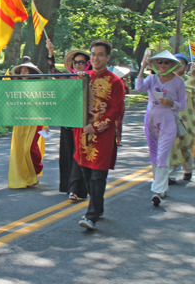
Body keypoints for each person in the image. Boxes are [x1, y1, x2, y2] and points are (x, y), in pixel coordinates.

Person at [74, 40, 125, 230]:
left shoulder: (115, 82)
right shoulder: (83, 77)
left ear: (108, 57)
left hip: (101, 135)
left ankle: (91, 216)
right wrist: (76, 82)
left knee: (97, 175)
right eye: (93, 54)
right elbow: (70, 101)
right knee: (86, 173)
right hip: (81, 135)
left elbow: (116, 110)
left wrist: (97, 126)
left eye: (100, 54)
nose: (96, 58)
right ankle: (99, 206)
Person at [136, 50, 187, 206]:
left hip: (168, 121)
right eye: (160, 62)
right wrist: (142, 68)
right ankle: (161, 186)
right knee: (154, 153)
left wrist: (171, 103)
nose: (162, 65)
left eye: (166, 62)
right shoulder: (151, 78)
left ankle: (157, 191)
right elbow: (139, 88)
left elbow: (182, 105)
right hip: (151, 120)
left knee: (163, 154)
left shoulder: (179, 82)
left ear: (172, 64)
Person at [46, 39, 89, 201]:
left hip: (83, 124)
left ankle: (77, 189)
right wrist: (51, 52)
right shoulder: (67, 78)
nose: (78, 65)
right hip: (67, 123)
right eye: (76, 62)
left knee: (79, 155)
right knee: (66, 155)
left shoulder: (90, 78)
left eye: (82, 62)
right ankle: (68, 187)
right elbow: (52, 71)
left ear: (87, 64)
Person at [8, 61, 48, 188]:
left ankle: (36, 169)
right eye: (21, 71)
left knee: (29, 148)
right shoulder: (16, 85)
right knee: (19, 150)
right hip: (20, 121)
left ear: (32, 72)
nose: (23, 73)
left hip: (36, 121)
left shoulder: (40, 86)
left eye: (26, 70)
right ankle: (24, 177)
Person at [168, 54, 195, 183]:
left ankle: (188, 169)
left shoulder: (189, 80)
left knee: (185, 145)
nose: (178, 66)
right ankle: (171, 175)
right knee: (171, 145)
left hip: (187, 119)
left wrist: (193, 76)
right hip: (170, 118)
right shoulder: (166, 80)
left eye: (181, 63)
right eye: (175, 63)